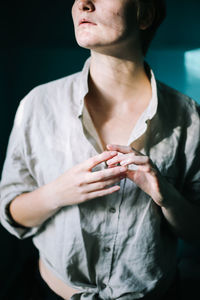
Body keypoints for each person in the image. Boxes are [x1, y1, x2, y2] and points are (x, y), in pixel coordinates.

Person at [0, 0, 200, 299]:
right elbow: (12, 213)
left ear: (143, 15)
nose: (83, 3)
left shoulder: (188, 116)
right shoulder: (37, 104)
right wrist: (57, 194)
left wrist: (166, 196)